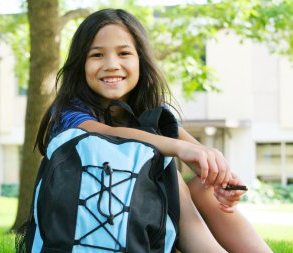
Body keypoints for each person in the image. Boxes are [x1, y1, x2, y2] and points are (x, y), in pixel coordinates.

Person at [36, 8, 272, 253]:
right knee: (171, 175)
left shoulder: (152, 108)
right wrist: (179, 148)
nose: (111, 65)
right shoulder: (69, 111)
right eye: (96, 55)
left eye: (124, 53)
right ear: (80, 63)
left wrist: (220, 179)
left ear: (141, 59)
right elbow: (107, 132)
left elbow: (197, 155)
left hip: (144, 215)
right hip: (95, 220)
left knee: (205, 188)